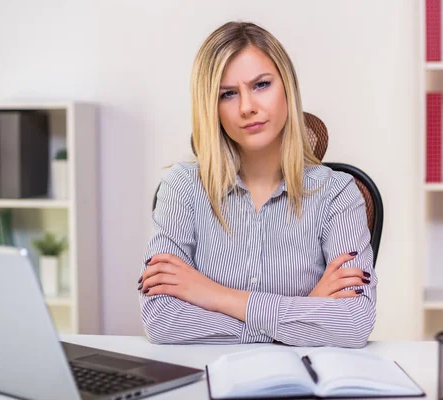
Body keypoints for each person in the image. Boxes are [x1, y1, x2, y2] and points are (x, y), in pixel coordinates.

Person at [138, 21, 376, 347]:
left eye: (261, 85)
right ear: (212, 107)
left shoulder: (337, 193)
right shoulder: (181, 187)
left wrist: (214, 295)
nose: (247, 106)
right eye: (228, 94)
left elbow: (354, 324)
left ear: (287, 89)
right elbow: (161, 320)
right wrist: (304, 314)